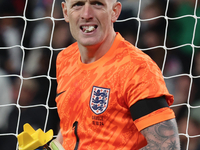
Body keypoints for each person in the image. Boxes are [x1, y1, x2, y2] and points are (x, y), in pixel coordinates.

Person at [55, 0, 180, 149]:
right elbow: (70, 127)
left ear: (114, 11)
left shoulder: (136, 68)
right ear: (65, 12)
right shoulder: (65, 59)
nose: (86, 14)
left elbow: (166, 146)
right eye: (78, 4)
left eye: (97, 4)